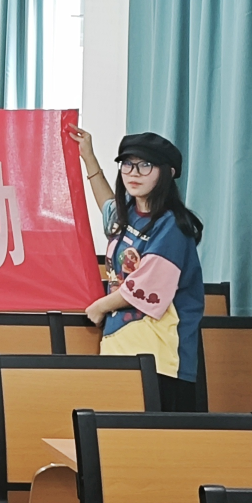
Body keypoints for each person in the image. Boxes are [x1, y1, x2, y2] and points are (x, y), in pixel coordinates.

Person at [75, 127, 207, 412]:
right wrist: (89, 158)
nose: (134, 173)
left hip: (161, 358)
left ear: (168, 172)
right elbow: (107, 206)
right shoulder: (128, 213)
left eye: (145, 165)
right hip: (120, 346)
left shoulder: (172, 226)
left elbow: (146, 287)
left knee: (154, 435)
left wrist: (100, 307)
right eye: (127, 164)